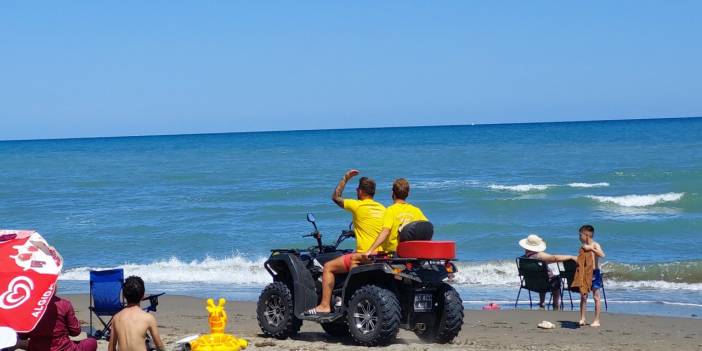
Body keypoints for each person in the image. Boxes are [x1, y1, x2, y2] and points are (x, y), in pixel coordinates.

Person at [306, 169, 385, 315]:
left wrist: (345, 178)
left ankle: (324, 305)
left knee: (328, 267)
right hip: (381, 255)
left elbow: (336, 197)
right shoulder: (382, 209)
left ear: (360, 192)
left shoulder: (358, 205)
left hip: (363, 256)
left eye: (357, 190)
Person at [364, 178, 428, 256]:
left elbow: (385, 232)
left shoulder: (390, 210)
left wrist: (370, 250)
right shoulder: (416, 210)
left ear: (393, 193)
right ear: (408, 193)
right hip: (411, 253)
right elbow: (427, 228)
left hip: (393, 254)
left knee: (356, 258)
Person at [17, 295, 98, 351]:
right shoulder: (64, 304)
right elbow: (75, 332)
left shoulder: (27, 306)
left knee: (25, 343)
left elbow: (22, 336)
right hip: (63, 348)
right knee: (91, 342)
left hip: (37, 348)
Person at [518, 234, 577, 310]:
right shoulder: (539, 255)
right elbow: (554, 258)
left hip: (530, 284)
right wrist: (571, 256)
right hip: (546, 284)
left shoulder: (523, 258)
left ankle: (542, 303)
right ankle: (556, 306)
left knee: (541, 276)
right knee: (555, 279)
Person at [108, 276, 165, 351]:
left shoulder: (116, 318)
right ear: (142, 296)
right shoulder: (148, 318)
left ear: (124, 296)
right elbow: (159, 346)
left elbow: (111, 348)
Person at [577, 225, 606, 327]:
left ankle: (597, 320)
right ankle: (582, 318)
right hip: (585, 273)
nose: (579, 237)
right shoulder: (582, 247)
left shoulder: (595, 245)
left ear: (586, 235)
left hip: (595, 273)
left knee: (596, 297)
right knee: (583, 296)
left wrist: (591, 249)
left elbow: (602, 255)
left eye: (580, 235)